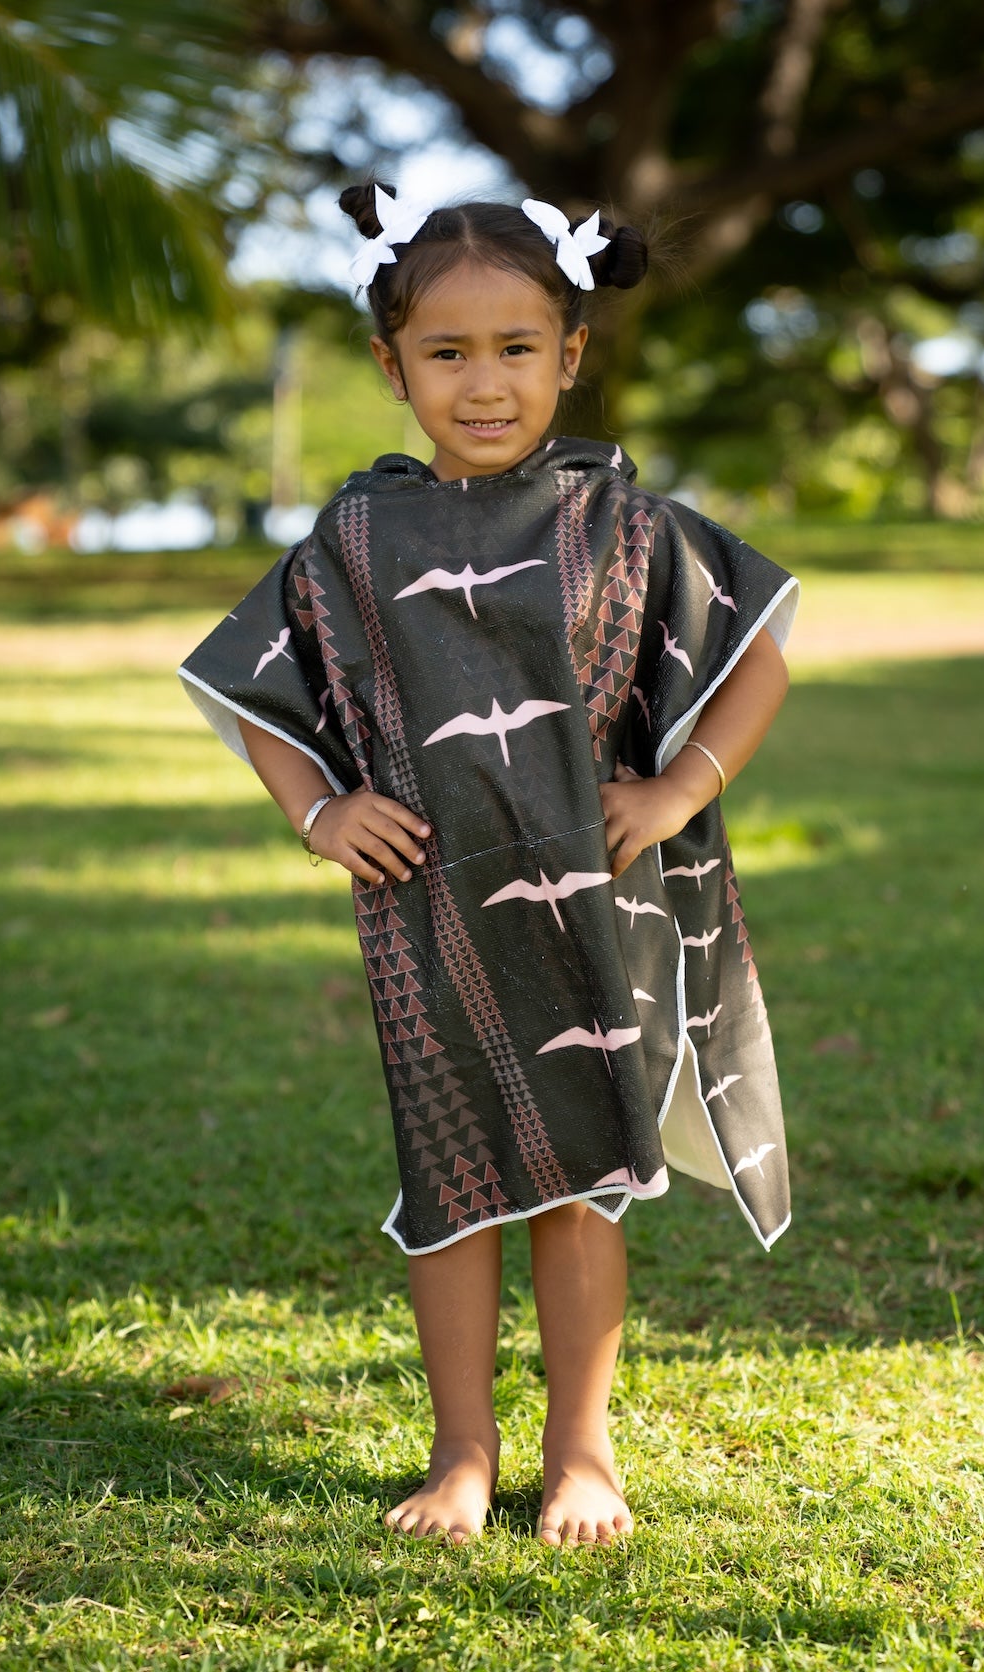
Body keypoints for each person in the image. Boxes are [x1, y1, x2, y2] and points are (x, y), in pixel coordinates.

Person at [179, 183, 798, 1548]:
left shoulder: (623, 521)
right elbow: (254, 681)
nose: (484, 382)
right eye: (446, 352)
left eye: (517, 348)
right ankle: (462, 1451)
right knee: (451, 1182)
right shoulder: (356, 538)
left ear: (570, 354)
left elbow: (755, 657)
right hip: (427, 912)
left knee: (582, 1182)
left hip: (592, 903)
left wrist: (679, 787)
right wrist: (319, 811)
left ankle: (583, 1451)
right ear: (391, 366)